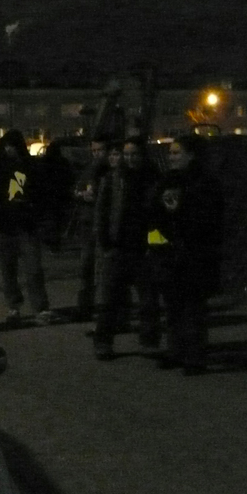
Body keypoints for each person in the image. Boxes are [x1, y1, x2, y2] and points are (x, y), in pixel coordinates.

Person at [143, 134, 225, 375]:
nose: (172, 157)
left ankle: (195, 356)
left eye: (177, 153)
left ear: (192, 155)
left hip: (195, 253)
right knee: (173, 306)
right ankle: (175, 351)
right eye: (170, 153)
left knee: (193, 307)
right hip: (169, 253)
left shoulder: (205, 182)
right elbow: (153, 209)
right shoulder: (168, 180)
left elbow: (208, 219)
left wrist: (180, 217)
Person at [91, 135, 160, 360]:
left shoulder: (153, 180)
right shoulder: (113, 179)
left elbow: (158, 217)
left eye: (134, 154)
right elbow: (102, 212)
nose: (129, 159)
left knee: (148, 300)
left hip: (143, 248)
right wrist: (104, 243)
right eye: (126, 154)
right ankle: (103, 342)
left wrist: (156, 245)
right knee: (108, 300)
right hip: (117, 246)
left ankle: (149, 341)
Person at [0, 129, 57, 327]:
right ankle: (14, 305)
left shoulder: (31, 167)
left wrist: (32, 209)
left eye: (11, 146)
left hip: (26, 226)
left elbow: (42, 193)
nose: (9, 150)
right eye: (7, 146)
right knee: (8, 270)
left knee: (33, 269)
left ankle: (40, 307)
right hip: (4, 226)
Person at [71, 135, 110, 322]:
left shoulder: (111, 170)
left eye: (100, 150)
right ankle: (84, 306)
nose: (97, 154)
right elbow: (76, 190)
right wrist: (81, 195)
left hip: (104, 223)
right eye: (94, 151)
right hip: (88, 221)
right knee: (86, 265)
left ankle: (105, 308)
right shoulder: (90, 169)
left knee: (104, 268)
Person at [33, 140, 75, 253]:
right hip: (60, 195)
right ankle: (54, 241)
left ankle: (51, 240)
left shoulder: (44, 162)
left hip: (49, 195)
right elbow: (70, 178)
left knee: (50, 219)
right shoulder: (63, 162)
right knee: (58, 220)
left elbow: (39, 179)